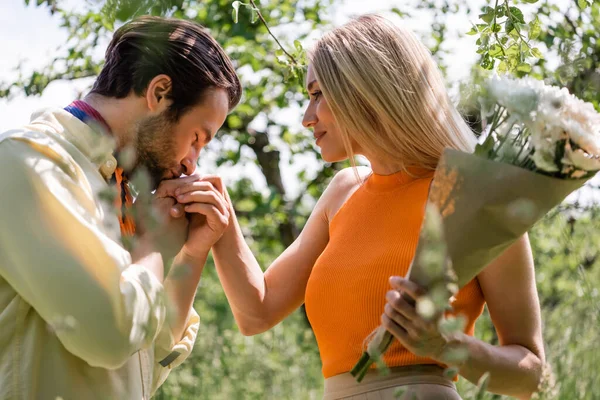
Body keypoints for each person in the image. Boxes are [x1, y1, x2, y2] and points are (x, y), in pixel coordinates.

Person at [172, 14, 545, 400]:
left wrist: (446, 346)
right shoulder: (343, 192)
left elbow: (531, 375)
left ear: (365, 91)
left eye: (318, 95)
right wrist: (222, 218)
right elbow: (257, 312)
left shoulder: (474, 197)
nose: (306, 118)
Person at [0, 16, 239, 399]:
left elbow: (148, 361)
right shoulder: (26, 162)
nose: (192, 163)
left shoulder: (121, 193)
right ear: (159, 92)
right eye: (197, 138)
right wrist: (157, 247)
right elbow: (109, 335)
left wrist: (190, 253)